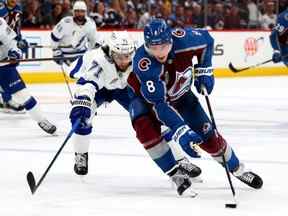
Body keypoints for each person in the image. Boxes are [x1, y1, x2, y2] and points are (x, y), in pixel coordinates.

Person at [127, 18, 263, 196]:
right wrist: (181, 130)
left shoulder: (184, 40)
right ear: (146, 45)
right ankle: (176, 175)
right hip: (148, 103)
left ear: (171, 39)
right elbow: (160, 105)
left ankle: (237, 169)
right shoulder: (143, 63)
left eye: (163, 46)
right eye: (153, 47)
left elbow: (207, 40)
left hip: (182, 97)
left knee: (209, 136)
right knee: (146, 131)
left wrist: (204, 70)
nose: (159, 52)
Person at [67, 31, 202, 192]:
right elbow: (88, 84)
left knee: (156, 118)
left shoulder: (140, 58)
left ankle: (180, 159)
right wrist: (83, 104)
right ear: (110, 52)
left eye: (127, 56)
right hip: (102, 88)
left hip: (126, 88)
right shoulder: (99, 62)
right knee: (81, 119)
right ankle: (81, 154)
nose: (124, 61)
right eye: (118, 56)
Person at [0, 17, 56, 135]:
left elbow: (12, 42)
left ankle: (41, 120)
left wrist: (16, 52)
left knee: (23, 95)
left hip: (3, 66)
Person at [51, 0, 102, 68]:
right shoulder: (65, 23)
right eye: (77, 11)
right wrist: (56, 52)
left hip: (82, 55)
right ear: (73, 12)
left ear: (85, 12)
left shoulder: (90, 23)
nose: (80, 14)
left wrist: (93, 53)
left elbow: (93, 41)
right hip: (66, 56)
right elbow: (54, 38)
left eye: (82, 11)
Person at [0, 0, 29, 112]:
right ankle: (7, 99)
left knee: (10, 66)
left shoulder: (18, 9)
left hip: (7, 43)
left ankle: (6, 99)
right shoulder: (1, 7)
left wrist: (19, 40)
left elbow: (16, 27)